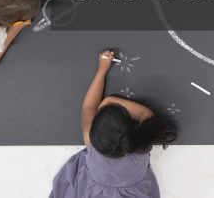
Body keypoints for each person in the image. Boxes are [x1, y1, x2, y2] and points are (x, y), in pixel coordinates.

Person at [50, 50, 178, 197]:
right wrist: (109, 101)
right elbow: (146, 113)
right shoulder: (142, 144)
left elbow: (88, 107)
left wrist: (102, 71)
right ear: (132, 127)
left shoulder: (90, 141)